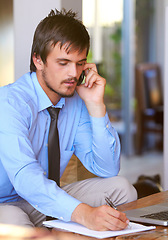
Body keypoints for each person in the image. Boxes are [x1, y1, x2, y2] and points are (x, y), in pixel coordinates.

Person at [0, 9, 137, 231]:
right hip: (5, 202)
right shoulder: (9, 103)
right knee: (18, 224)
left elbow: (107, 169)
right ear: (38, 60)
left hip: (44, 198)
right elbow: (25, 177)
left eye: (80, 63)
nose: (73, 73)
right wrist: (84, 214)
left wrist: (96, 106)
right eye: (63, 63)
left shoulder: (75, 101)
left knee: (122, 188)